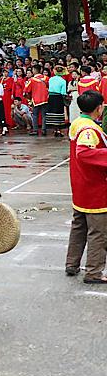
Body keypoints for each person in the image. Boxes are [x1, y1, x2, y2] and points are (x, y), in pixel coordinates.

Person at [66, 91, 107, 283]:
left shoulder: (77, 123)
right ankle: (94, 272)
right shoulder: (89, 130)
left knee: (79, 227)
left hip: (80, 185)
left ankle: (72, 264)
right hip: (94, 188)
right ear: (98, 107)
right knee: (98, 232)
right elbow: (84, 153)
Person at [25, 65, 49, 136]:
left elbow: (26, 90)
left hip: (36, 100)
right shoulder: (46, 78)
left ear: (34, 70)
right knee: (44, 115)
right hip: (45, 99)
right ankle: (44, 130)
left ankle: (35, 130)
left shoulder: (31, 80)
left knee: (35, 115)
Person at [46, 66, 68, 137]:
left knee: (52, 112)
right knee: (59, 112)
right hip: (58, 97)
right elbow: (63, 92)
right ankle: (59, 130)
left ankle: (55, 130)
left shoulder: (51, 79)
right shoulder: (63, 81)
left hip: (51, 97)